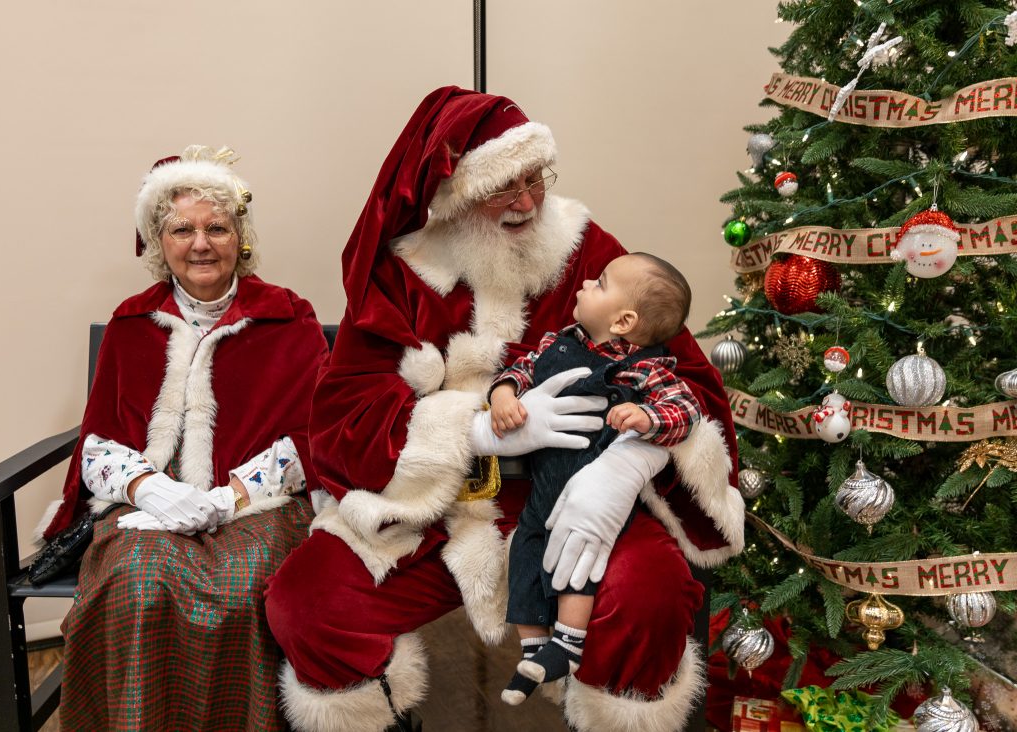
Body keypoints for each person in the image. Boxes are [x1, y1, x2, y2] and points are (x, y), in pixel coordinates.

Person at [265, 87, 745, 732]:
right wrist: (477, 433)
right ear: (455, 194)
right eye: (502, 187)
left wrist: (623, 470)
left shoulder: (587, 251)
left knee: (649, 594)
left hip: (580, 502)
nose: (525, 201)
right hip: (437, 510)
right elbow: (343, 417)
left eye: (534, 179)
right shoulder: (403, 273)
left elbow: (687, 380)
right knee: (308, 604)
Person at [37, 145, 328, 730]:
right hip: (148, 512)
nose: (201, 243)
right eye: (182, 229)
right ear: (158, 241)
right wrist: (148, 488)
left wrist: (231, 496)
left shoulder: (288, 317)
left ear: (239, 237)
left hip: (258, 508)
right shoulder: (131, 323)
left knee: (249, 587)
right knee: (139, 583)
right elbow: (95, 445)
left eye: (217, 227)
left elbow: (316, 437)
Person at [490, 252, 703, 705]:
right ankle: (533, 650)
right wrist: (504, 394)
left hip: (594, 493)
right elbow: (520, 369)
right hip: (544, 486)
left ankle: (567, 642)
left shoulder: (646, 368)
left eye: (600, 283)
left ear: (624, 321)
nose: (585, 282)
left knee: (580, 560)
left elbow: (688, 410)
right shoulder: (555, 343)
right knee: (526, 553)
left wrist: (646, 415)